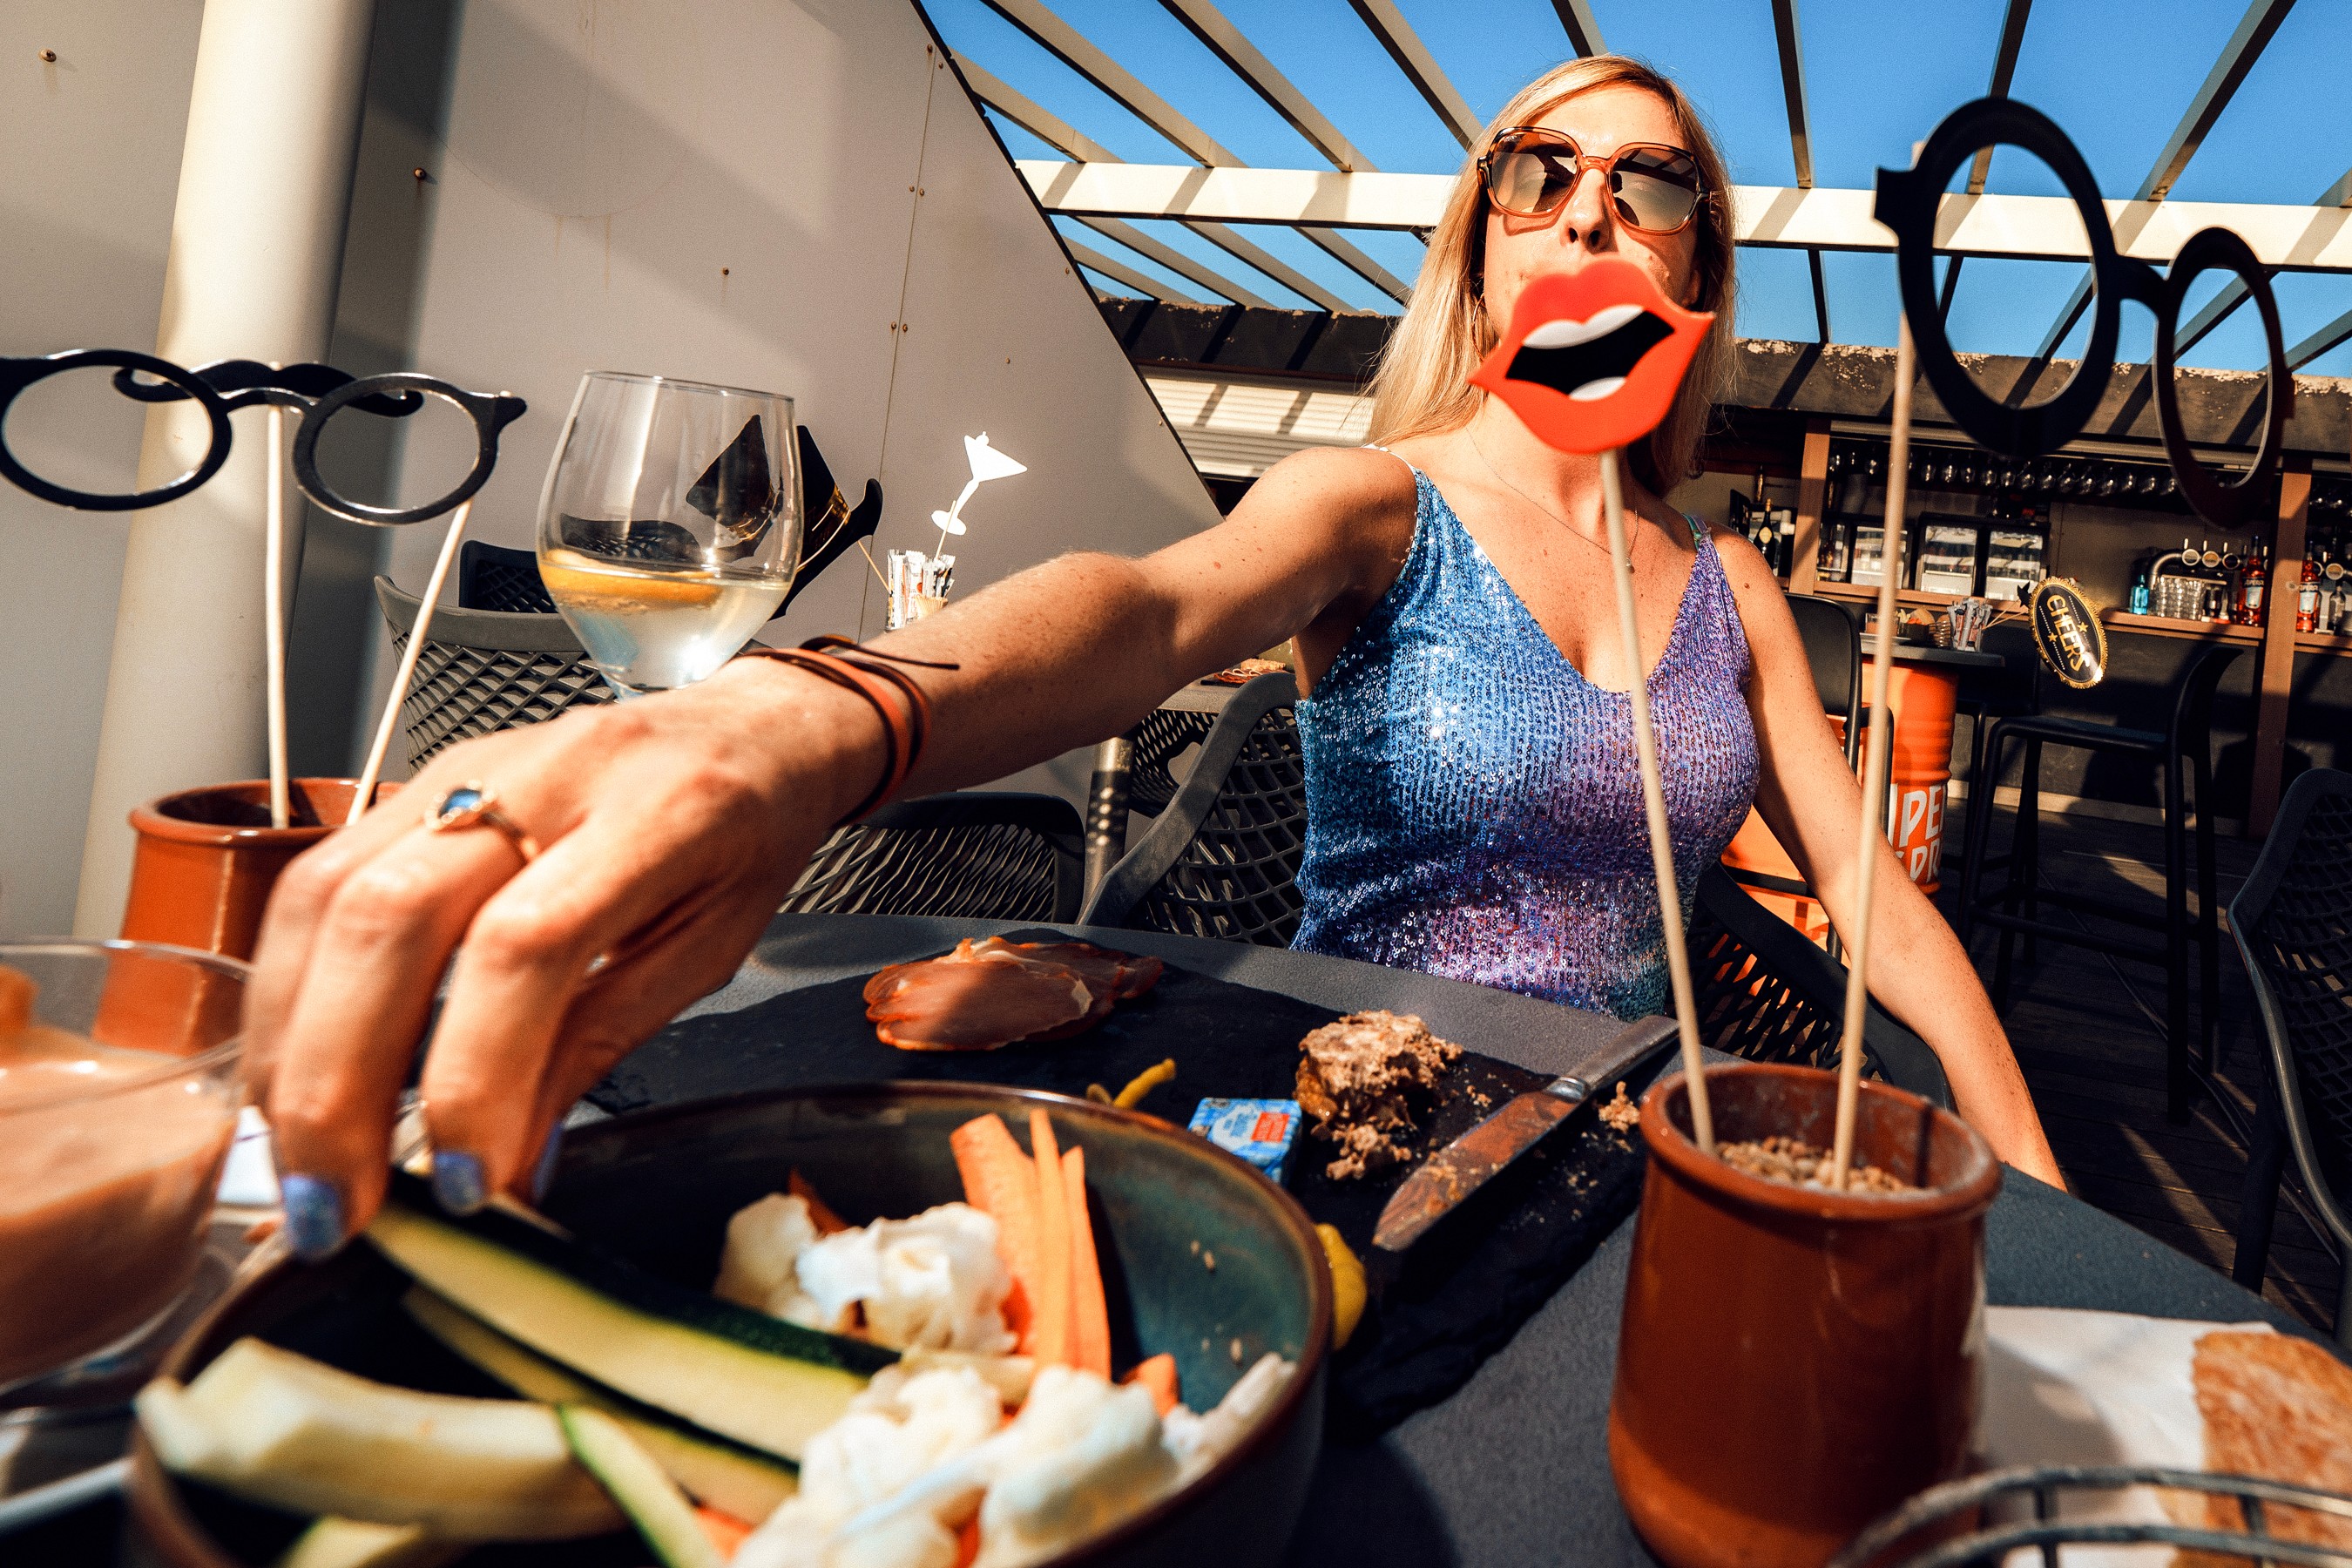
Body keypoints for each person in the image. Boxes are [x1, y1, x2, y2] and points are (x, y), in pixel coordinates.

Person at [248, 55, 2062, 1259]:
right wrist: (810, 714)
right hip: (1370, 1150)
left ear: (1697, 265)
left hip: (1636, 1182)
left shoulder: (1733, 586)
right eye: (1541, 171)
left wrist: (2050, 1208)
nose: (1591, 207)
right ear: (1482, 240)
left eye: (1650, 182)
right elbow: (1150, 611)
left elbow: (1869, 895)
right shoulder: (1371, 501)